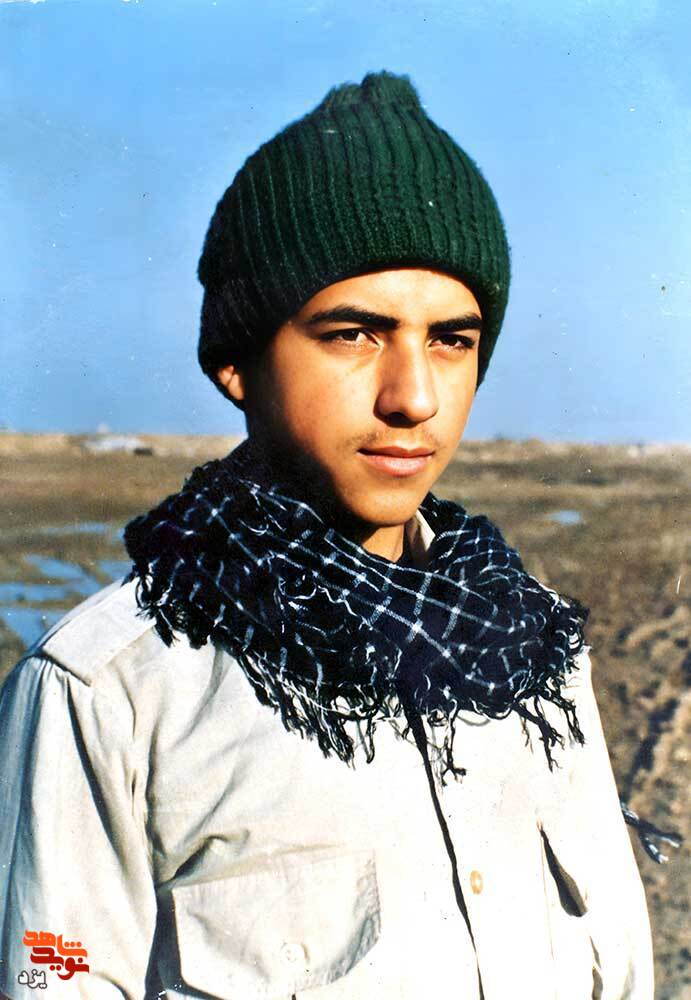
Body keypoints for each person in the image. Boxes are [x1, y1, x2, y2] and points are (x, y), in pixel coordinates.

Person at [0, 70, 655, 999]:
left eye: (452, 340)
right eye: (352, 334)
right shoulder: (105, 693)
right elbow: (51, 974)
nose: (413, 397)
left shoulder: (537, 653)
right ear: (238, 363)